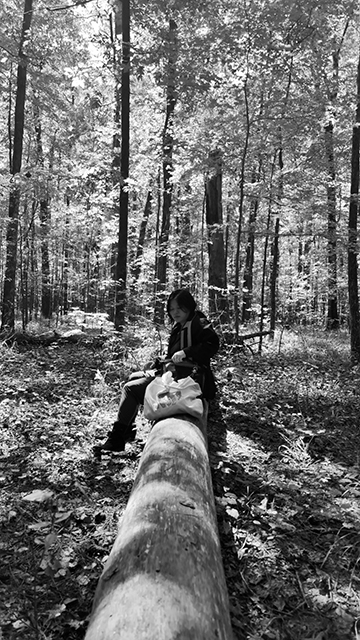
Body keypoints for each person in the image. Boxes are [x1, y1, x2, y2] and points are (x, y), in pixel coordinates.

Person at [97, 289, 219, 452]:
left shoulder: (199, 321)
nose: (175, 312)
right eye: (172, 309)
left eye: (179, 308)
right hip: (176, 376)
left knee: (130, 389)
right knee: (133, 376)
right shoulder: (179, 327)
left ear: (188, 306)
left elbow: (212, 344)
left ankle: (117, 439)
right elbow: (172, 356)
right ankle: (127, 431)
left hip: (188, 386)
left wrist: (187, 352)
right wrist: (156, 363)